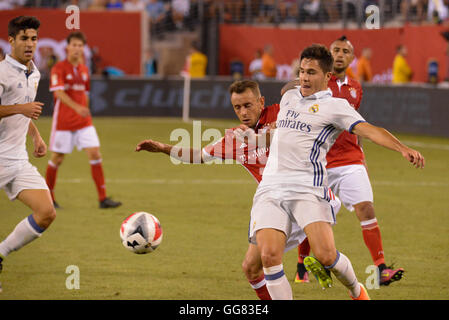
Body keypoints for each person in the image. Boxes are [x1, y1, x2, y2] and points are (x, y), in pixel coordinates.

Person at [135, 79, 342, 300]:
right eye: (237, 107)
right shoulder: (234, 138)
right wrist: (162, 148)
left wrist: (303, 80)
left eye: (248, 105)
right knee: (251, 268)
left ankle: (338, 275)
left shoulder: (284, 113)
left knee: (322, 255)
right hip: (275, 207)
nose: (243, 112)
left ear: (261, 101)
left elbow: (306, 97)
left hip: (310, 195)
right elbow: (199, 156)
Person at [251, 44, 424, 300]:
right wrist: (264, 136)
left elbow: (372, 130)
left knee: (325, 255)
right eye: (301, 71)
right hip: (271, 188)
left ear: (327, 77)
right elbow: (285, 130)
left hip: (307, 189)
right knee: (268, 257)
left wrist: (401, 148)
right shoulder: (289, 97)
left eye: (311, 72)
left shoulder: (336, 107)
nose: (304, 78)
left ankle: (357, 291)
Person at [285, 36, 407, 286]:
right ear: (329, 57)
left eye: (346, 52)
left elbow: (357, 126)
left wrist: (362, 160)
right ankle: (301, 266)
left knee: (366, 208)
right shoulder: (304, 84)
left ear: (352, 58)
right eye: (336, 50)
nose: (340, 54)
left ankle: (380, 269)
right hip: (319, 164)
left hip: (351, 160)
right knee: (314, 214)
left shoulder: (355, 87)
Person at [0, 16, 56, 285]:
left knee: (46, 212)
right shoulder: (1, 73)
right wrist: (21, 110)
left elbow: (25, 108)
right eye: (24, 38)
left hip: (17, 160)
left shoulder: (33, 72)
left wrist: (36, 136)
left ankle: (0, 254)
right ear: (11, 41)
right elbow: (20, 108)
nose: (30, 44)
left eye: (34, 38)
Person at [45, 31, 122, 209]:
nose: (77, 49)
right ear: (67, 47)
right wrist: (77, 107)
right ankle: (49, 197)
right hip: (64, 122)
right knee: (57, 158)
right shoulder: (59, 68)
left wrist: (84, 109)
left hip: (84, 122)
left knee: (95, 154)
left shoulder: (84, 69)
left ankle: (103, 199)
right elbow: (58, 93)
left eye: (80, 46)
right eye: (74, 45)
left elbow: (85, 94)